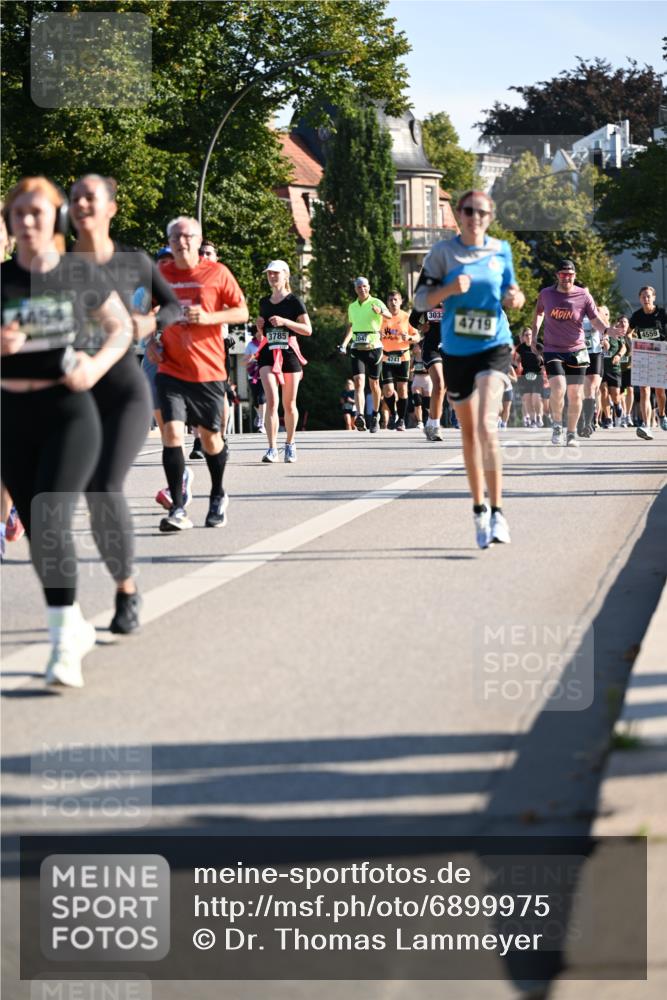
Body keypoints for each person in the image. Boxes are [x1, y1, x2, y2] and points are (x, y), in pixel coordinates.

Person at [1, 176, 132, 686]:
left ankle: (61, 647)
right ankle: (72, 621)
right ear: (10, 224)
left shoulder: (78, 275)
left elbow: (120, 328)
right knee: (39, 535)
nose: (29, 222)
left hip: (69, 413)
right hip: (11, 417)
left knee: (49, 517)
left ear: (54, 220)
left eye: (38, 213)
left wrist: (93, 369)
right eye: (19, 214)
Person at [69, 173, 182, 633]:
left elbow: (173, 306)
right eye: (74, 198)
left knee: (103, 487)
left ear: (111, 207)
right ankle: (65, 610)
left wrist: (148, 323)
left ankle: (126, 589)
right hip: (72, 393)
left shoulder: (134, 262)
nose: (81, 205)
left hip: (122, 390)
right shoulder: (52, 266)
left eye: (90, 198)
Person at [413, 189, 525, 548]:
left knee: (486, 425)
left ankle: (498, 512)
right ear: (458, 215)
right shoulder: (443, 253)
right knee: (468, 433)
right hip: (457, 350)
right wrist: (446, 289)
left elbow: (514, 292)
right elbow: (419, 301)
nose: (475, 217)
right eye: (468, 211)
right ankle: (479, 509)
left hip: (494, 345)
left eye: (482, 211)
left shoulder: (500, 251)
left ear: (490, 216)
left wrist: (516, 298)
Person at [146, 215, 248, 529]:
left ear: (198, 239)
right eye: (175, 237)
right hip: (171, 368)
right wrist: (150, 340)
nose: (182, 242)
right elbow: (145, 312)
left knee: (210, 440)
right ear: (169, 242)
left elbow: (241, 311)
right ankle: (178, 507)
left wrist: (208, 317)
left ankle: (218, 493)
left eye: (188, 236)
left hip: (208, 371)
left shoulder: (217, 273)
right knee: (172, 434)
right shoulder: (160, 275)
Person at [531, 260, 610, 447]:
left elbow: (595, 320)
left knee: (575, 394)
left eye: (570, 275)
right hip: (552, 349)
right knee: (558, 388)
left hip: (577, 350)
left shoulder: (583, 295)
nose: (567, 278)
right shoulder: (546, 294)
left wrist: (607, 331)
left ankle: (572, 433)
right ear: (557, 275)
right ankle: (557, 425)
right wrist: (534, 336)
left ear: (575, 276)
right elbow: (539, 313)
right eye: (563, 274)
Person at [255, 260, 311, 463]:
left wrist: (285, 322)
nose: (272, 277)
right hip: (268, 353)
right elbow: (261, 337)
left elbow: (308, 329)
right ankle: (271, 448)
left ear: (286, 275)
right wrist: (259, 327)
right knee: (271, 401)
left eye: (276, 273)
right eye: (269, 273)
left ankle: (290, 443)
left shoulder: (294, 301)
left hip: (289, 353)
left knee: (289, 403)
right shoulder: (264, 302)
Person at [338, 277, 391, 433]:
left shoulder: (376, 302)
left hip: (374, 347)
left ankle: (375, 415)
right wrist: (344, 344)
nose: (363, 289)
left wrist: (380, 311)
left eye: (365, 286)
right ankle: (360, 416)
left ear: (369, 287)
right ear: (356, 289)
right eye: (360, 287)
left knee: (374, 385)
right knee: (359, 382)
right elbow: (352, 326)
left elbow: (388, 315)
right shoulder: (352, 306)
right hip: (357, 348)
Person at [628, 286, 667, 440]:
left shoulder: (662, 313)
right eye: (643, 296)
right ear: (640, 299)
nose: (646, 299)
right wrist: (633, 345)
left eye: (649, 296)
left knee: (659, 391)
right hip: (644, 356)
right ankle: (646, 425)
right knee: (644, 390)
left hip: (661, 355)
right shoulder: (637, 316)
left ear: (654, 297)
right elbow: (628, 333)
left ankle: (662, 414)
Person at [379, 290, 419, 431]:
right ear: (387, 302)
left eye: (396, 299)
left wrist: (408, 338)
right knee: (388, 391)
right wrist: (378, 335)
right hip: (386, 356)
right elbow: (375, 334)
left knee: (402, 390)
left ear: (400, 301)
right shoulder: (382, 318)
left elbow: (417, 336)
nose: (393, 302)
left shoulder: (407, 317)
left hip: (403, 356)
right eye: (390, 300)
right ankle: (393, 414)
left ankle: (401, 420)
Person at [409, 303, 446, 440]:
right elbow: (413, 319)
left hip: (451, 348)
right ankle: (435, 427)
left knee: (442, 390)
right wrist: (420, 327)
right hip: (432, 349)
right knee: (439, 384)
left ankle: (430, 423)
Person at [577, 304, 607, 437]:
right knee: (582, 390)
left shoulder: (596, 313)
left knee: (592, 388)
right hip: (580, 353)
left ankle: (589, 423)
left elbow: (605, 330)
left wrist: (605, 340)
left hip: (595, 354)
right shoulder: (574, 314)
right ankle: (581, 420)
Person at [599, 316, 628, 428]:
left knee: (615, 394)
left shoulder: (615, 331)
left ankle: (617, 404)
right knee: (604, 391)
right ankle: (608, 419)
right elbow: (603, 346)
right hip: (601, 366)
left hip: (614, 368)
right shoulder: (597, 333)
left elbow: (624, 347)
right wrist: (603, 341)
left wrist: (619, 356)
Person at [514, 327, 544, 428]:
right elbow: (516, 360)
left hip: (538, 374)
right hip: (525, 375)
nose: (528, 336)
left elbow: (545, 360)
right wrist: (516, 365)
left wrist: (544, 367)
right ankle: (532, 420)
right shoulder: (521, 348)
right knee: (527, 399)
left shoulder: (538, 346)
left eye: (530, 334)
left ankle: (539, 416)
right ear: (523, 337)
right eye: (526, 335)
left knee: (536, 398)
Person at [243, 324, 266, 432]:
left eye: (261, 332)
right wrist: (252, 358)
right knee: (255, 401)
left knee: (262, 399)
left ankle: (262, 423)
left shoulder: (267, 342)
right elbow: (244, 362)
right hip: (253, 375)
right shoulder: (250, 345)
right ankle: (259, 415)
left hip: (265, 375)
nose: (260, 334)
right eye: (258, 332)